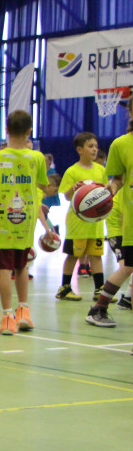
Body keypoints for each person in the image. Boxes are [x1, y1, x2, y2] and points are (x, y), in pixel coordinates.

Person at [0, 111, 48, 335]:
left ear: (6, 130)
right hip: (26, 218)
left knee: (4, 268)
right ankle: (24, 311)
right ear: (29, 131)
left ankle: (7, 317)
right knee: (22, 265)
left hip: (3, 219)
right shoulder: (37, 158)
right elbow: (42, 187)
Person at [86, 112, 133, 328]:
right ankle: (99, 307)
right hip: (126, 220)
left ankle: (100, 307)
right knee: (127, 266)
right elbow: (118, 180)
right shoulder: (121, 144)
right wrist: (109, 192)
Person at [57, 133, 107, 301]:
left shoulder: (101, 170)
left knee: (96, 255)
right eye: (90, 146)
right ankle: (64, 288)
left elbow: (106, 192)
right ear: (80, 149)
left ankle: (100, 289)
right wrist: (73, 189)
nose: (94, 149)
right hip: (77, 223)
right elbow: (67, 196)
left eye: (96, 146)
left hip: (96, 222)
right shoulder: (72, 171)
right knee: (73, 255)